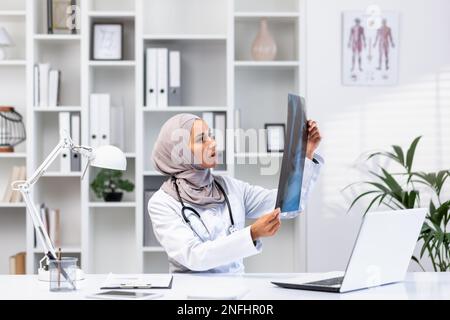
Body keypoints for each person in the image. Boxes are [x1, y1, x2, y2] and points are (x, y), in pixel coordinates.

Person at [148, 114, 323, 273]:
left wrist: (306, 154)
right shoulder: (162, 203)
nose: (213, 143)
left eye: (211, 136)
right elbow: (194, 257)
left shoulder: (230, 187)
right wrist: (252, 233)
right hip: (191, 296)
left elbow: (288, 205)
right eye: (202, 139)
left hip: (236, 292)